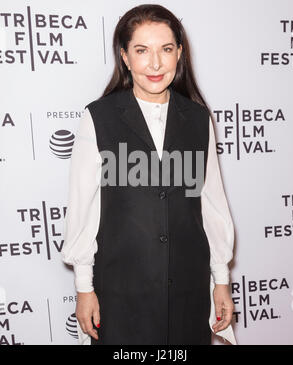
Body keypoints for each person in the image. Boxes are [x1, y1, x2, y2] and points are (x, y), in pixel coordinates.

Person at [62, 4, 236, 345]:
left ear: (179, 54)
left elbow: (212, 204)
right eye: (142, 50)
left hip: (188, 290)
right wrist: (85, 287)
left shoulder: (199, 120)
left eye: (166, 49)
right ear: (125, 56)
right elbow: (84, 207)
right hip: (121, 295)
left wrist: (221, 279)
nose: (155, 64)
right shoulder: (99, 118)